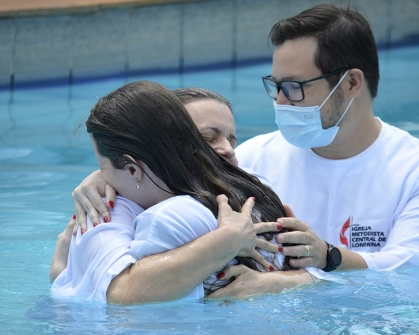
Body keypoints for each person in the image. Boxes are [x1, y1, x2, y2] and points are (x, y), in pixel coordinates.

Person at [62, 4, 419, 296]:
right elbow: (170, 179)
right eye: (275, 86)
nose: (280, 103)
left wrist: (324, 260)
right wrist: (103, 177)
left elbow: (414, 277)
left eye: (294, 88)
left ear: (352, 83)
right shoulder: (256, 156)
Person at [50, 81, 311, 304]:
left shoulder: (168, 218)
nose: (228, 150)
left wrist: (62, 273)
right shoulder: (257, 192)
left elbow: (121, 298)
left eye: (232, 139)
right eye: (207, 138)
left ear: (132, 168)